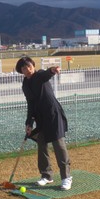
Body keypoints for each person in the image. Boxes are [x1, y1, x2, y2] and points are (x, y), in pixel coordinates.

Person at [15, 56, 72, 190]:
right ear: (21, 71)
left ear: (33, 66)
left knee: (59, 146)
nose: (27, 70)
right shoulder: (25, 84)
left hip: (53, 114)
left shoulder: (39, 75)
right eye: (24, 68)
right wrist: (29, 123)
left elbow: (47, 74)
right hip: (40, 118)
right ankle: (46, 176)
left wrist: (52, 70)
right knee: (42, 146)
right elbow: (31, 104)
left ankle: (66, 177)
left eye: (29, 66)